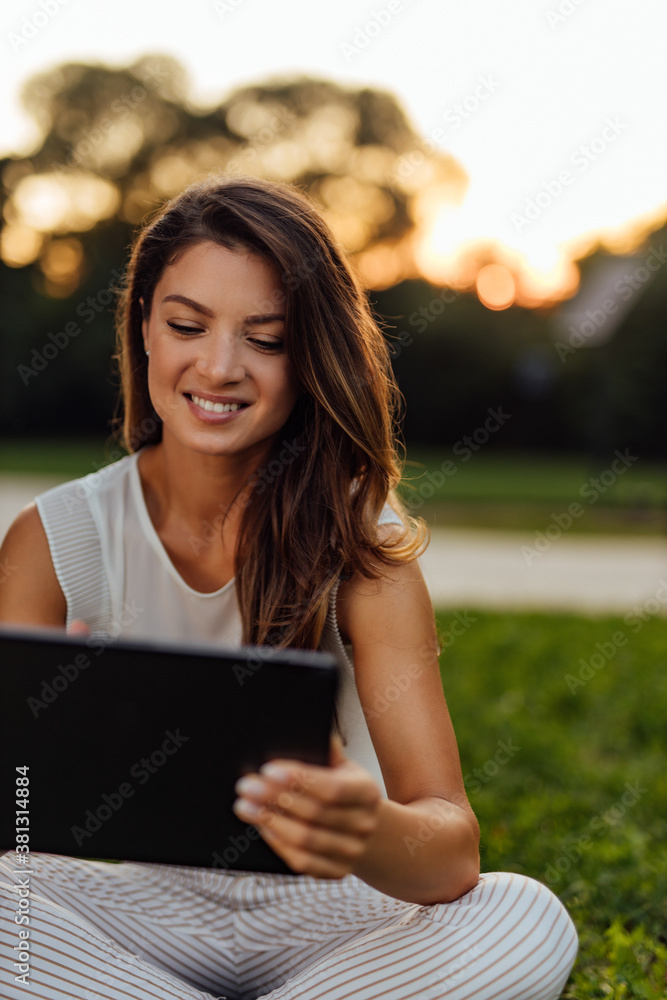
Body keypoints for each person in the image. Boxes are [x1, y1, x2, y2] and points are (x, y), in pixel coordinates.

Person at [0, 176, 578, 1000]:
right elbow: (20, 835)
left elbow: (452, 851)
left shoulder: (362, 549)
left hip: (339, 919)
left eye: (265, 338)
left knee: (526, 916)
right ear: (144, 330)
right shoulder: (53, 540)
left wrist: (366, 826)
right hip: (145, 920)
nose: (220, 366)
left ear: (310, 356)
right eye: (187, 326)